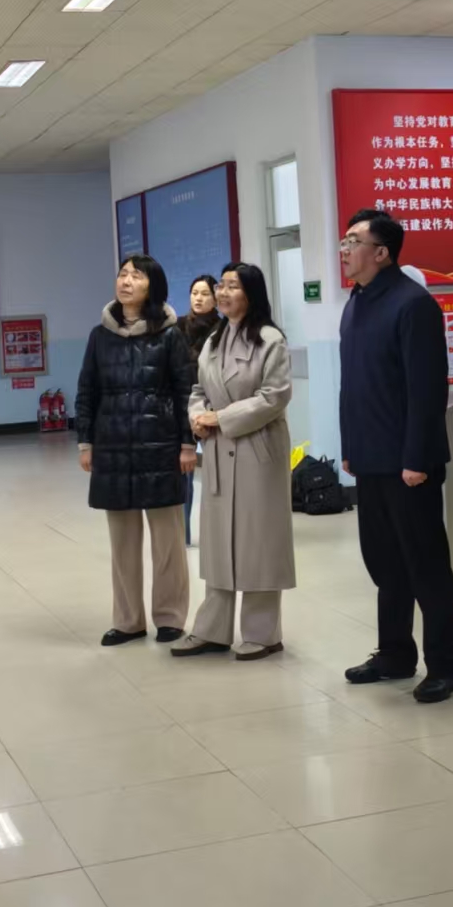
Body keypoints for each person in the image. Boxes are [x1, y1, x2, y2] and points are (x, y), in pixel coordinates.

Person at [337, 209, 453, 703]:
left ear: (382, 253)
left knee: (425, 566)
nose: (345, 250)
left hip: (410, 464)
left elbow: (426, 391)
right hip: (370, 458)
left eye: (354, 241)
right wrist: (350, 447)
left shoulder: (413, 304)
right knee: (385, 564)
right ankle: (394, 654)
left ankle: (443, 666)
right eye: (345, 241)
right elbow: (353, 385)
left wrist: (417, 459)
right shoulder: (356, 302)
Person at [173, 263, 295, 660]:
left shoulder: (270, 340)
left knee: (259, 541)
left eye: (232, 287)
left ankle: (263, 632)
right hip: (219, 451)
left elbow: (274, 396)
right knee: (218, 541)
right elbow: (198, 389)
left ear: (251, 294)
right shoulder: (215, 338)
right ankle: (213, 629)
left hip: (258, 450)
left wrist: (220, 418)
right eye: (221, 286)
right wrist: (197, 415)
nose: (222, 293)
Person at [75, 255, 197, 647]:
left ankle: (170, 617)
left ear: (152, 286)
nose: (126, 281)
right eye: (122, 274)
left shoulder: (170, 335)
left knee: (168, 543)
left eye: (136, 276)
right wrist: (86, 442)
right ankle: (127, 621)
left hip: (160, 446)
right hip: (113, 447)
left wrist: (187, 444)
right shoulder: (100, 335)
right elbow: (87, 391)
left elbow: (186, 391)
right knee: (122, 544)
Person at [178, 274, 222, 547]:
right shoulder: (178, 327)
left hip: (213, 407)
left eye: (205, 294)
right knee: (183, 472)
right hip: (182, 405)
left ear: (215, 299)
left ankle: (219, 532)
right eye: (195, 292)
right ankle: (182, 534)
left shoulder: (222, 330)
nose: (198, 298)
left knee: (218, 473)